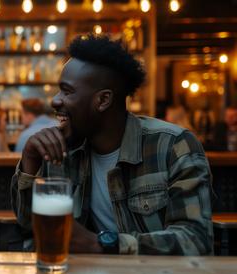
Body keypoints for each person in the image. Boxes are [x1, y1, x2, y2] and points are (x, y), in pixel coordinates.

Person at [11, 34, 213, 255]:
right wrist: (30, 161)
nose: (55, 101)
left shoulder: (173, 146)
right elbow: (31, 229)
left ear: (103, 100)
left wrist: (100, 243)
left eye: (67, 91)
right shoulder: (60, 150)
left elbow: (195, 241)